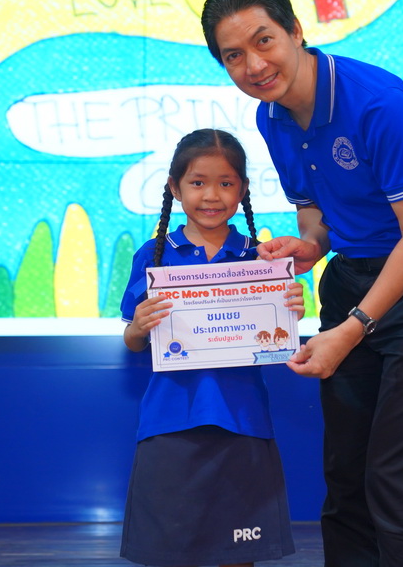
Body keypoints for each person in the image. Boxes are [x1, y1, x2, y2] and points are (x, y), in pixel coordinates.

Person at [201, 0, 403, 567]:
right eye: (234, 55)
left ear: (296, 31)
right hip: (353, 277)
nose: (254, 65)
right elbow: (316, 212)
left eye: (264, 41)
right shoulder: (272, 117)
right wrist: (309, 245)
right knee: (346, 477)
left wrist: (351, 329)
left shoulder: (375, 102)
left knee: (395, 481)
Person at [120, 128, 303, 567]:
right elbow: (131, 339)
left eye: (226, 183)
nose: (211, 195)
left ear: (243, 189)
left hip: (242, 420)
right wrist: (140, 327)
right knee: (169, 552)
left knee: (239, 552)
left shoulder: (262, 258)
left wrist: (290, 307)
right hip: (170, 421)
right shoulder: (154, 255)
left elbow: (278, 331)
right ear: (175, 187)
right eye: (198, 182)